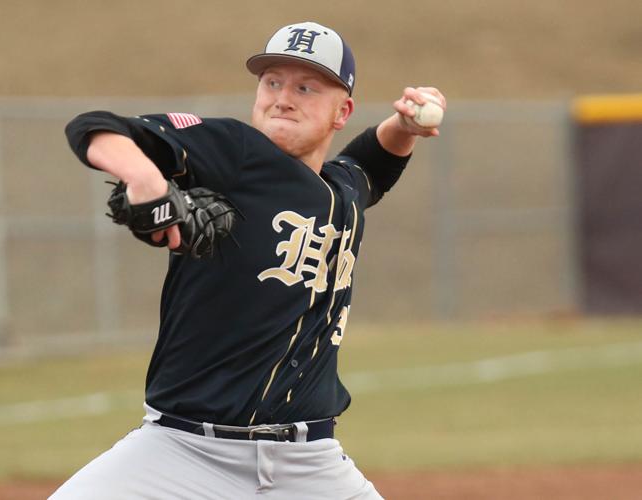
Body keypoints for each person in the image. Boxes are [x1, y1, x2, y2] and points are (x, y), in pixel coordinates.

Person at [52, 20, 446, 500]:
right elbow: (96, 128)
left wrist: (403, 126)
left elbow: (375, 162)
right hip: (182, 451)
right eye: (272, 82)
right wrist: (145, 177)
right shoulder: (237, 153)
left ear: (342, 112)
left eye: (306, 87)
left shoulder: (342, 190)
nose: (283, 97)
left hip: (311, 463)